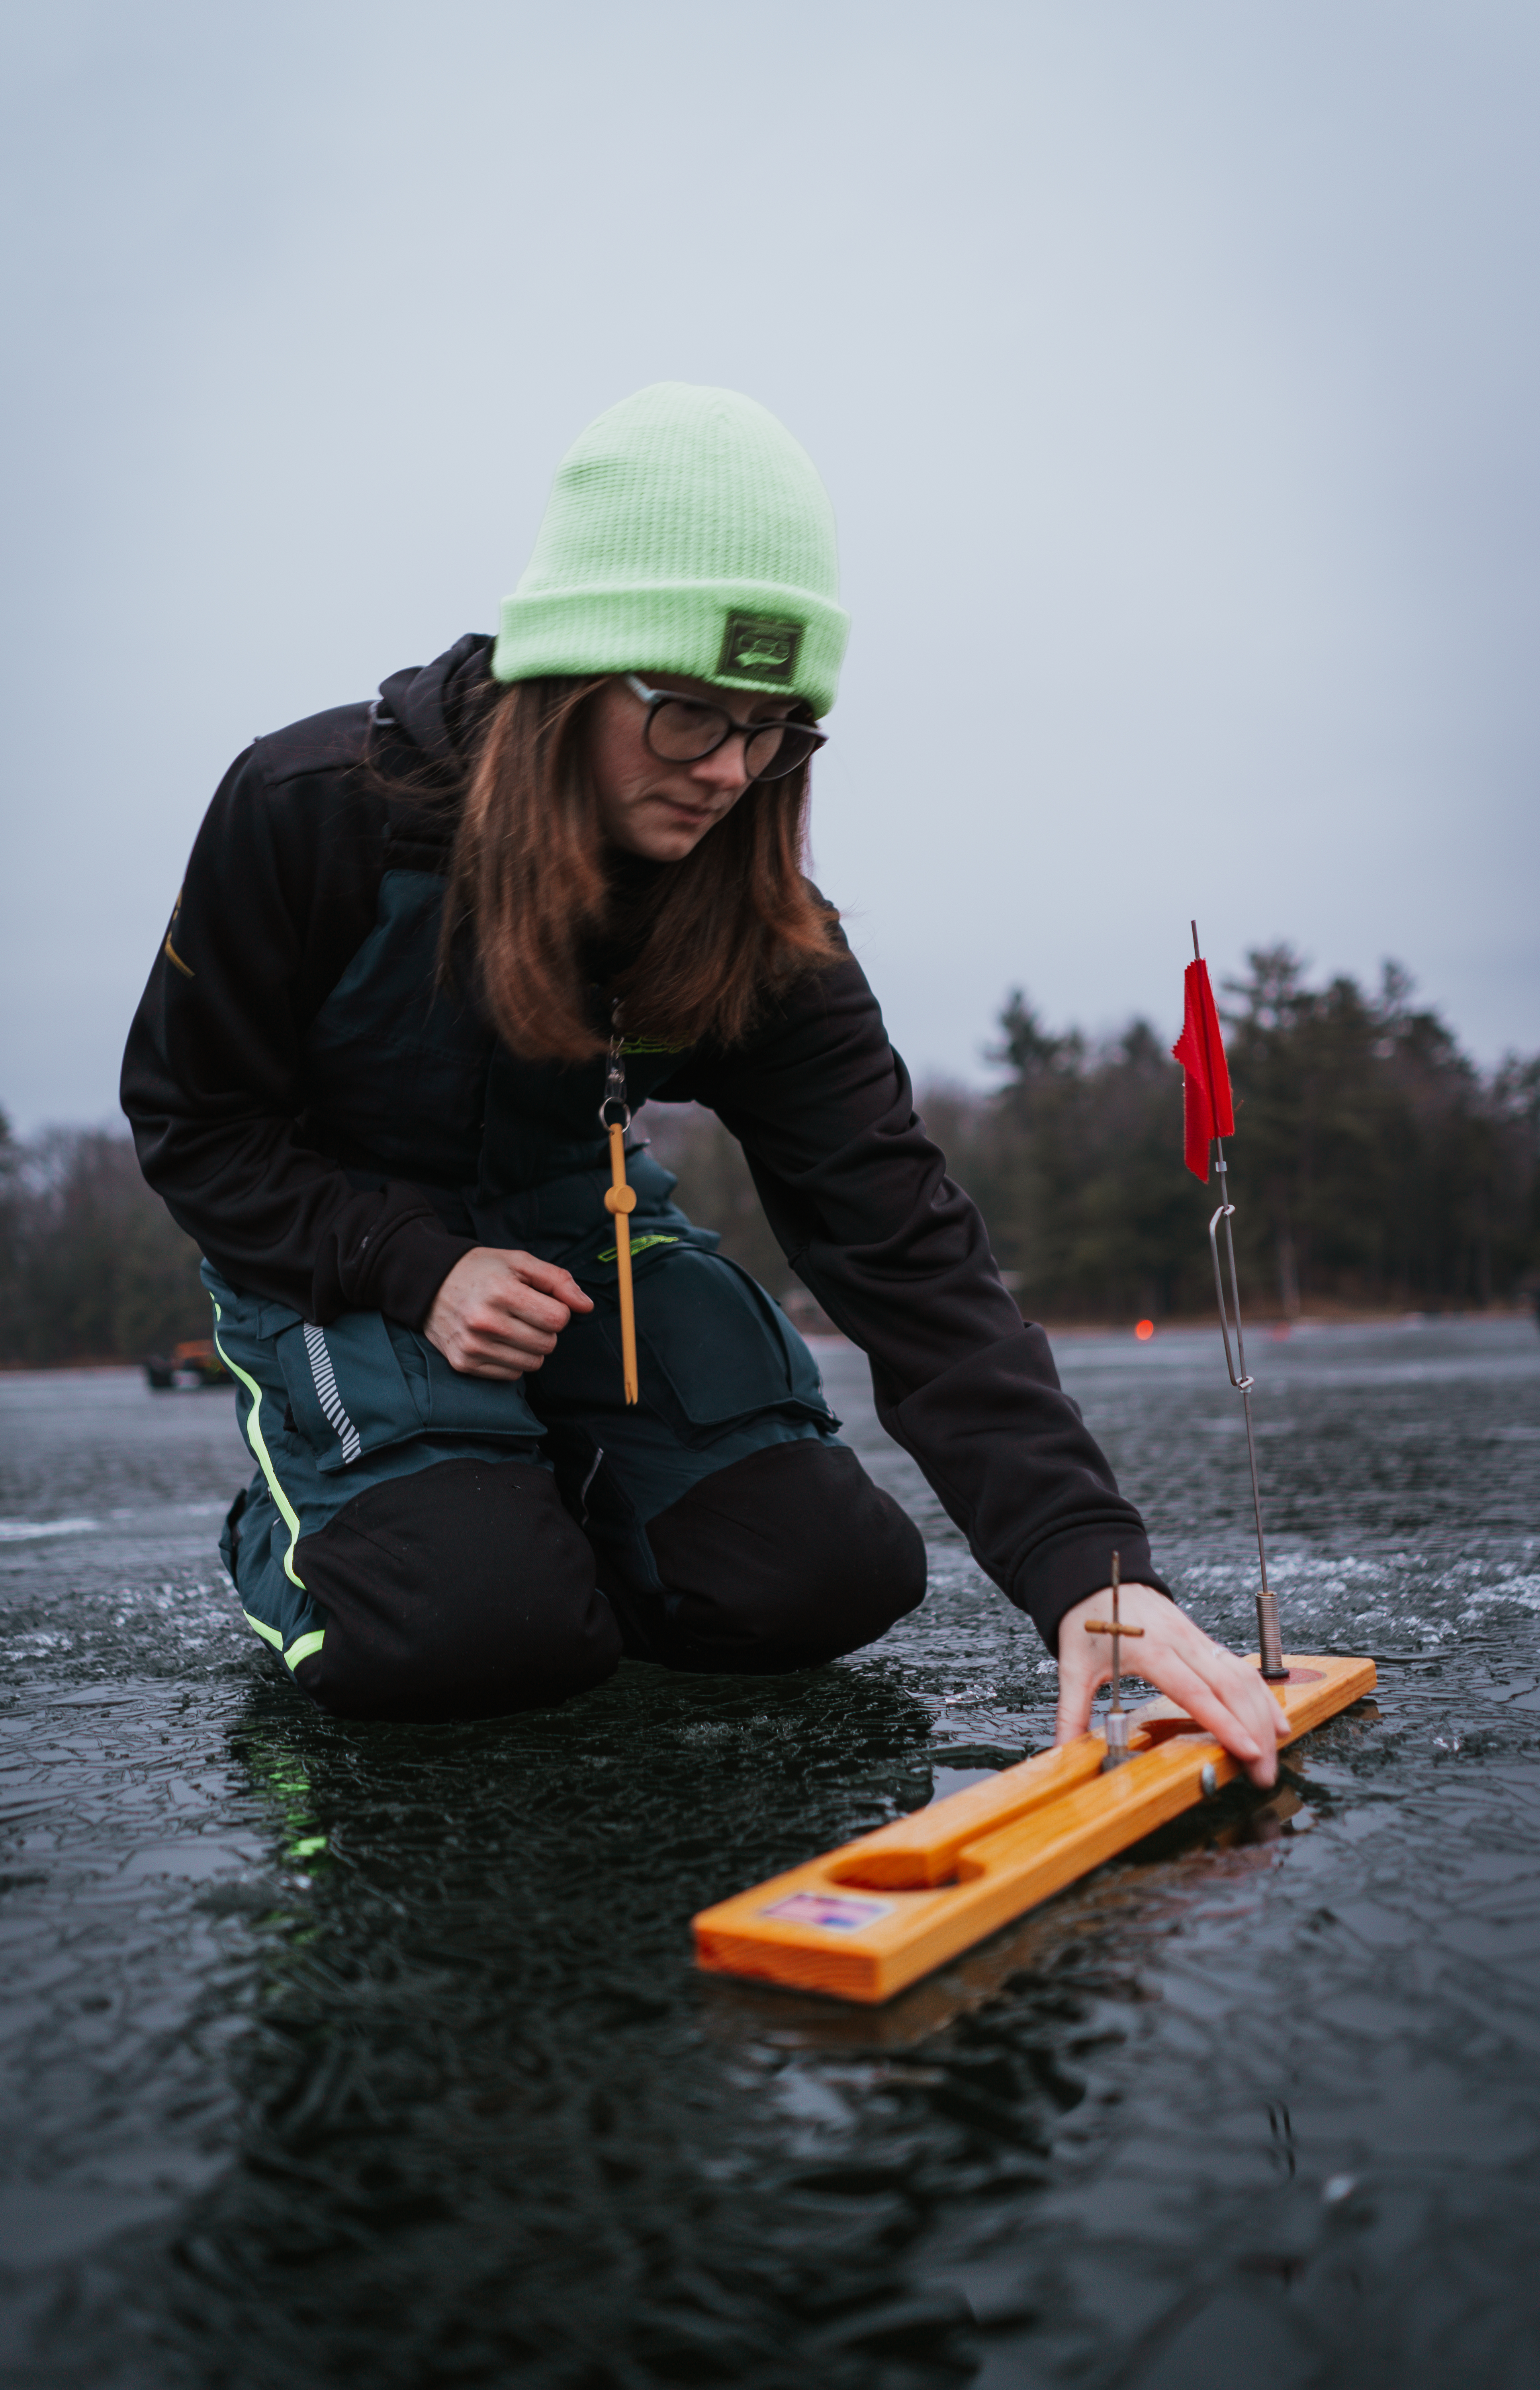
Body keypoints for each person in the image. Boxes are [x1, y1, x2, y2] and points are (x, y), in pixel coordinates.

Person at [121, 382, 1288, 1784]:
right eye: (687, 715)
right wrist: (412, 1264)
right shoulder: (309, 809)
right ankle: (306, 1527)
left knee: (827, 1582)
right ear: (569, 677)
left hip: (583, 1228)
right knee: (475, 1637)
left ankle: (515, 1493)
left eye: (776, 727)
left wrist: (1091, 1570)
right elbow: (195, 1124)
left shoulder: (761, 919)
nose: (732, 772)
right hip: (339, 1248)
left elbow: (899, 1237)